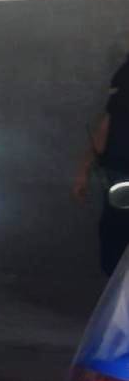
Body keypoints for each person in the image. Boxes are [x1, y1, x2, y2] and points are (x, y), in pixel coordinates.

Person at [73, 54, 129, 275]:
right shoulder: (125, 74)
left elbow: (106, 124)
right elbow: (107, 123)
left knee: (115, 241)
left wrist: (83, 170)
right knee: (115, 243)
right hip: (120, 174)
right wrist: (83, 169)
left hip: (120, 173)